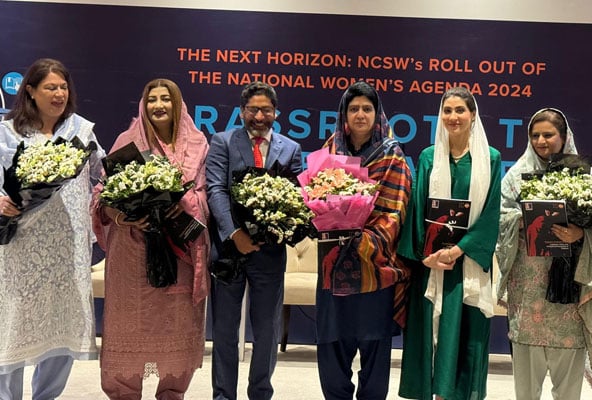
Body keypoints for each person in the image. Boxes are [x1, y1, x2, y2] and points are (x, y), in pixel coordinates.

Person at [91, 78, 210, 399]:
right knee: (130, 325)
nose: (159, 105)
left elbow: (204, 194)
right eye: (152, 99)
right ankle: (124, 393)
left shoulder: (198, 144)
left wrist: (182, 206)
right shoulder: (126, 141)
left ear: (177, 104)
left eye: (166, 99)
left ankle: (172, 393)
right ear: (144, 106)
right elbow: (103, 193)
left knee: (177, 326)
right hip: (131, 253)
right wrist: (120, 214)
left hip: (179, 250)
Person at [0, 58, 105, 399]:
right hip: (21, 245)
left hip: (68, 245)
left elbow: (103, 176)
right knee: (12, 326)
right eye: (50, 88)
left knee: (63, 324)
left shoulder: (81, 129)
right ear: (30, 91)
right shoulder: (8, 131)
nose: (59, 94)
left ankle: (47, 396)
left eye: (63, 87)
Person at [495, 108, 592, 400]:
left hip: (569, 293)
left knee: (568, 387)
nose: (541, 141)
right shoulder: (517, 174)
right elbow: (497, 216)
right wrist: (523, 219)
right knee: (526, 387)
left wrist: (580, 233)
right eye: (535, 135)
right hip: (529, 290)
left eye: (548, 134)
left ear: (564, 136)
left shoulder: (584, 175)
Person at [397, 87, 501, 400]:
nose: (453, 117)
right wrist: (425, 255)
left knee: (467, 336)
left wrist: (459, 248)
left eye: (460, 110)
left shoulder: (490, 159)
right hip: (432, 265)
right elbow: (417, 208)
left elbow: (492, 212)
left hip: (467, 261)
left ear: (473, 115)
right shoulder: (429, 157)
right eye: (447, 110)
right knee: (432, 336)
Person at [206, 81, 302, 400]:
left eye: (266, 110)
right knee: (224, 330)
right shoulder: (222, 142)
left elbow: (297, 198)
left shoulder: (290, 149)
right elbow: (216, 189)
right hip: (229, 250)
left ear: (276, 113)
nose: (259, 116)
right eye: (253, 110)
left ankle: (260, 392)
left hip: (270, 253)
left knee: (266, 331)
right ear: (242, 111)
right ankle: (223, 395)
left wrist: (280, 227)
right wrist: (235, 233)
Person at [316, 81, 412, 400]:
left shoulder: (392, 155)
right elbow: (316, 197)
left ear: (377, 114)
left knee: (374, 347)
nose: (360, 114)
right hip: (334, 264)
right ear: (344, 113)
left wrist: (364, 239)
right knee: (332, 344)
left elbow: (396, 210)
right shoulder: (331, 150)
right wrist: (332, 225)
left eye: (367, 109)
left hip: (376, 266)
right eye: (354, 108)